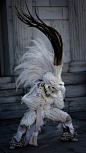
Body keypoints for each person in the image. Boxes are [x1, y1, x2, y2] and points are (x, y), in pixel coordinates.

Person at [9, 4, 78, 150]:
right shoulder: (39, 86)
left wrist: (59, 93)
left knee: (66, 117)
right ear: (46, 84)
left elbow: (59, 106)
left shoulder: (55, 88)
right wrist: (40, 96)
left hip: (49, 110)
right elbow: (29, 101)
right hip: (36, 112)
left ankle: (68, 134)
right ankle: (18, 140)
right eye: (53, 86)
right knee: (24, 124)